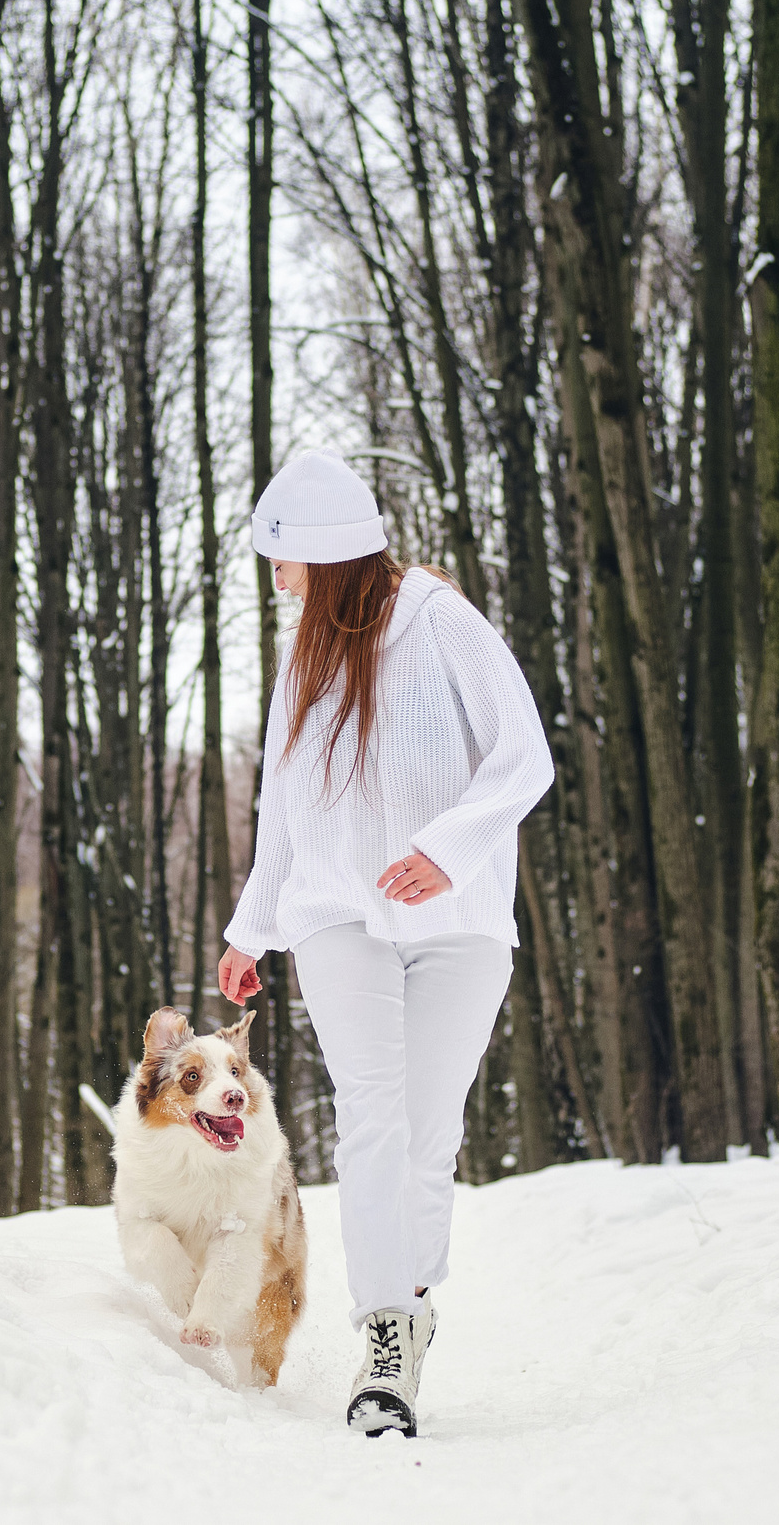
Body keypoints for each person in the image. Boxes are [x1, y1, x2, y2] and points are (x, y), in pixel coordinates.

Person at [216, 450, 553, 1438]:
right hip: (334, 913)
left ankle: (410, 1291)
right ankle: (386, 1340)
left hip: (460, 922)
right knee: (371, 1115)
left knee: (424, 1127)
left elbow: (521, 753)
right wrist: (253, 928)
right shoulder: (303, 660)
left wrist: (449, 852)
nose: (275, 579)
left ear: (324, 555)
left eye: (283, 560)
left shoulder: (438, 621)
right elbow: (285, 809)